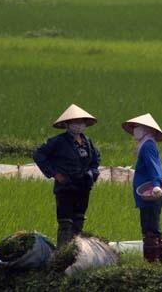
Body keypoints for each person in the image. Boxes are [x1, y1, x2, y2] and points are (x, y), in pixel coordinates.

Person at [33, 104, 101, 246]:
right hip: (66, 186)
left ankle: (76, 252)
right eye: (74, 122)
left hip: (83, 187)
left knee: (79, 220)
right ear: (67, 124)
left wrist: (92, 174)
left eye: (81, 123)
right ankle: (63, 254)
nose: (78, 126)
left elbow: (95, 161)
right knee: (65, 223)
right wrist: (54, 173)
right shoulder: (57, 141)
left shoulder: (87, 142)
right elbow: (39, 155)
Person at [122, 113, 162, 263]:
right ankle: (155, 262)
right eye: (134, 127)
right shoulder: (146, 145)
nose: (135, 130)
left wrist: (155, 185)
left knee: (150, 230)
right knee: (150, 228)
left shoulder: (147, 146)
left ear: (147, 130)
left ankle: (153, 264)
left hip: (151, 193)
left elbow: (155, 167)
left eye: (138, 127)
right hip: (146, 192)